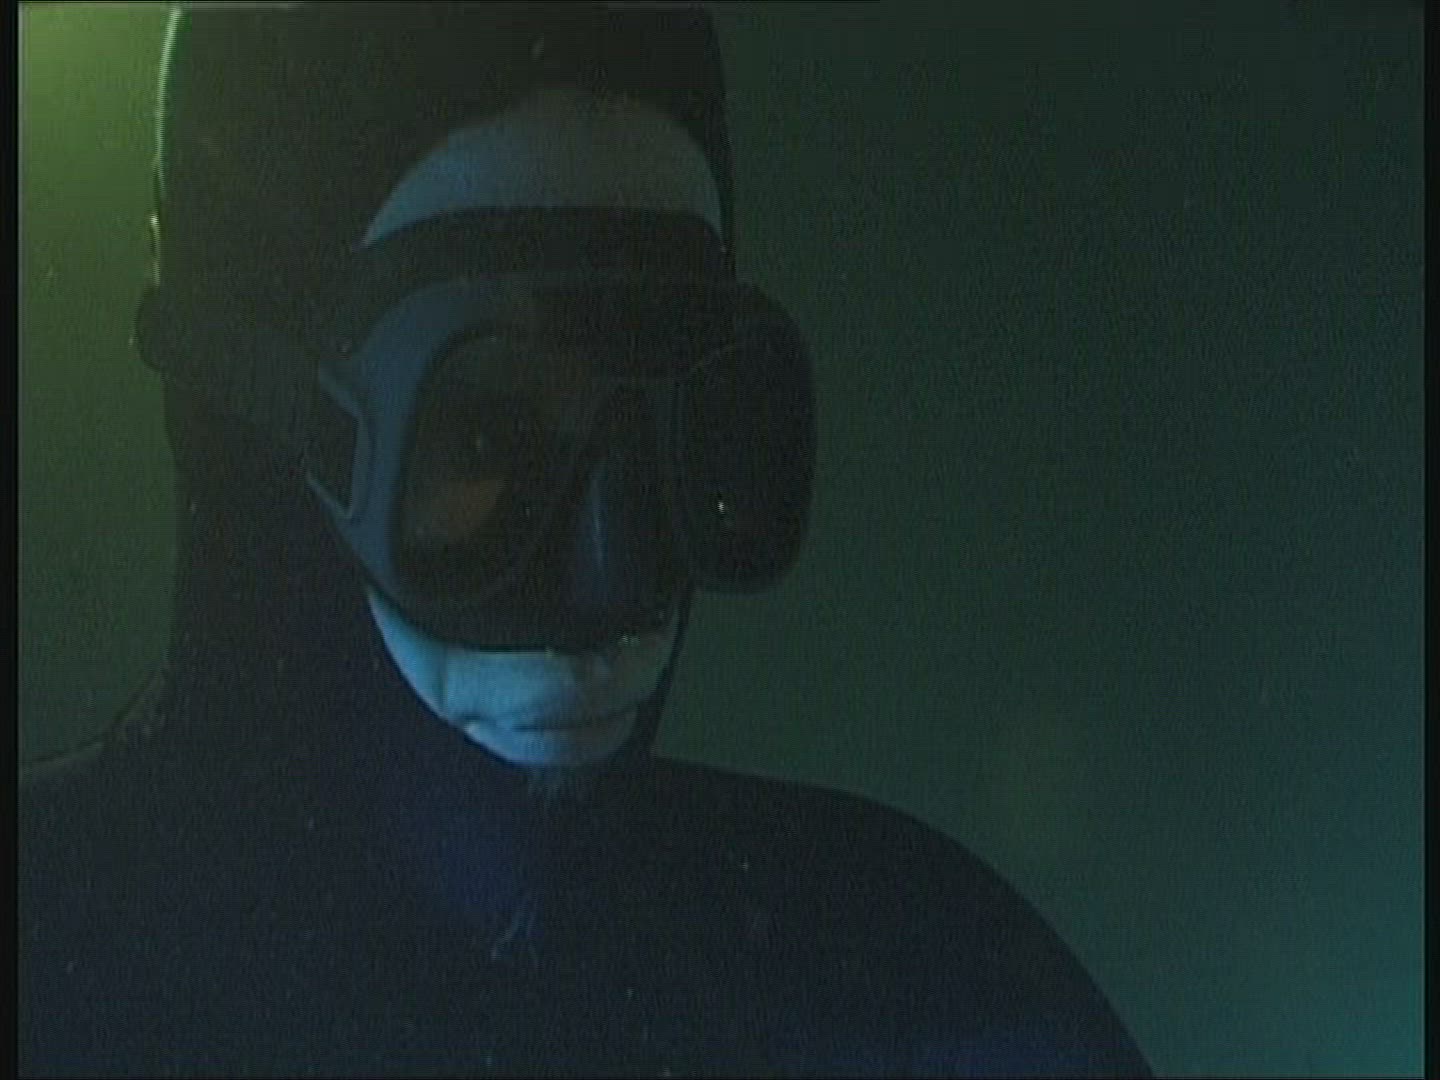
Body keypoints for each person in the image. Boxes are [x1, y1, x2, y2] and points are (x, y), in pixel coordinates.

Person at [19, 4, 1152, 1076]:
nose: (615, 578)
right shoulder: (913, 976)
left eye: (681, 430)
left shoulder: (923, 982)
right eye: (482, 437)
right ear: (252, 420)